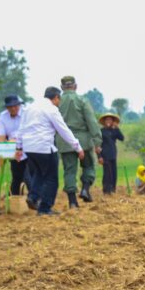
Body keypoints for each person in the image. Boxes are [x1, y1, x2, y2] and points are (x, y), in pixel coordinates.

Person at [16, 87, 84, 215]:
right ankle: (45, 208)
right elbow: (63, 129)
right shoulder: (52, 109)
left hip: (29, 147)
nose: (59, 103)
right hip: (44, 147)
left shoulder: (30, 107)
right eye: (59, 100)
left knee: (38, 173)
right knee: (52, 179)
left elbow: (21, 128)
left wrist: (19, 147)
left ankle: (33, 197)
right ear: (56, 97)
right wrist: (77, 146)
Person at [55, 76, 103, 208]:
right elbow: (91, 121)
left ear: (62, 87)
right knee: (88, 166)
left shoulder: (57, 102)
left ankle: (72, 202)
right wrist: (97, 141)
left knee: (69, 170)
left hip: (65, 141)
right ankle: (85, 189)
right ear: (75, 86)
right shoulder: (82, 100)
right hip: (83, 141)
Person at [0, 94, 31, 195]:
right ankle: (14, 199)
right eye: (10, 107)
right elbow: (1, 137)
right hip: (12, 149)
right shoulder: (2, 117)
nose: (13, 108)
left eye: (15, 106)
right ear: (7, 107)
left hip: (28, 147)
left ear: (19, 105)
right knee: (17, 176)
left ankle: (35, 199)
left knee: (28, 176)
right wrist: (1, 154)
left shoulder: (27, 114)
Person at [98, 113, 124, 195]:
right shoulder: (101, 132)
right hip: (105, 155)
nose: (108, 121)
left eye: (110, 119)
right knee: (107, 173)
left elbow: (122, 138)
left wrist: (117, 128)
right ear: (104, 121)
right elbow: (98, 145)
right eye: (107, 120)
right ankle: (106, 190)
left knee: (114, 173)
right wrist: (99, 156)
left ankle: (113, 189)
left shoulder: (114, 131)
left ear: (113, 121)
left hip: (113, 155)